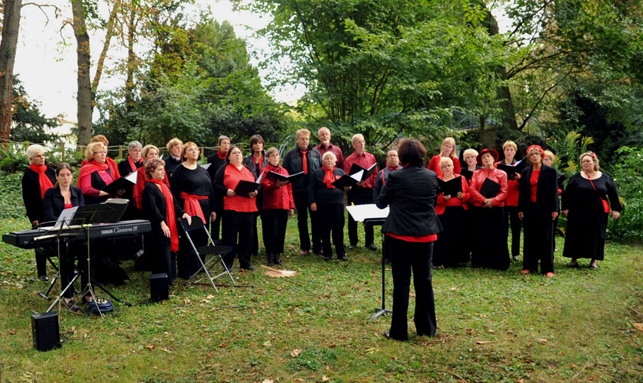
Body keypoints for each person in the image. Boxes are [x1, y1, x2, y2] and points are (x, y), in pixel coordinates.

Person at [376, 138, 442, 341]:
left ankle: (399, 332)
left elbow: (380, 203)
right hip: (426, 234)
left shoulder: (395, 177)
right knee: (424, 282)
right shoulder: (432, 176)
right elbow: (432, 200)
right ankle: (427, 328)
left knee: (402, 283)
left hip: (401, 235)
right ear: (422, 155)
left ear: (403, 156)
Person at [562, 152, 621, 269]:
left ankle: (593, 260)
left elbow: (613, 194)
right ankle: (574, 259)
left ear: (594, 162)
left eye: (588, 161)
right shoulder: (576, 177)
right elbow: (567, 194)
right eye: (583, 162)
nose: (585, 163)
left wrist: (616, 209)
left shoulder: (605, 178)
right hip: (577, 212)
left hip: (597, 213)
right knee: (576, 234)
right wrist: (565, 208)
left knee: (596, 235)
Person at [170, 142, 217, 279]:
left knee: (202, 236)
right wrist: (179, 212)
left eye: (196, 149)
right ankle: (186, 269)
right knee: (188, 238)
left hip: (205, 207)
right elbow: (175, 193)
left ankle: (200, 265)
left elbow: (211, 190)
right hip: (188, 207)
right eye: (190, 150)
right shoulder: (179, 170)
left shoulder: (203, 170)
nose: (194, 151)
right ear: (184, 154)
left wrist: (213, 209)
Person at [42, 163, 85, 311]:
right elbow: (49, 215)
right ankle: (68, 296)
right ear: (57, 177)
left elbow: (82, 211)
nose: (66, 178)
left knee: (88, 251)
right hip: (58, 234)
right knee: (66, 254)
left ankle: (87, 292)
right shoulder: (50, 193)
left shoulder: (77, 191)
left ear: (72, 176)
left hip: (75, 233)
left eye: (68, 175)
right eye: (62, 175)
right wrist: (64, 222)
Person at [142, 158, 191, 283]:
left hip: (170, 224)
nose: (163, 172)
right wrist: (162, 223)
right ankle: (162, 280)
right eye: (159, 170)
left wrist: (184, 213)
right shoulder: (149, 187)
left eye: (163, 169)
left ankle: (170, 278)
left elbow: (175, 204)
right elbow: (152, 209)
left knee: (170, 252)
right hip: (158, 227)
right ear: (151, 172)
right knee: (161, 253)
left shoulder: (165, 186)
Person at [213, 146, 259, 271]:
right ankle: (228, 263)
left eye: (239, 152)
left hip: (249, 208)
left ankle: (245, 262)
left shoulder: (248, 169)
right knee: (230, 237)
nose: (238, 154)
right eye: (234, 153)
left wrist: (255, 191)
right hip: (231, 208)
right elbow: (216, 185)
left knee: (247, 237)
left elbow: (256, 183)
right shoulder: (224, 169)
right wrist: (226, 191)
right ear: (229, 157)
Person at [517, 145, 559, 276]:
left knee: (546, 238)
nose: (534, 156)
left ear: (542, 156)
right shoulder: (525, 172)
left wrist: (555, 209)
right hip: (530, 208)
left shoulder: (551, 171)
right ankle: (529, 266)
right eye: (531, 154)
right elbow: (523, 192)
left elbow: (554, 192)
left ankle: (548, 269)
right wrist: (520, 209)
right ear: (529, 158)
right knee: (529, 237)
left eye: (536, 154)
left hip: (546, 208)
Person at [283, 129, 323, 255]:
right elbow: (285, 173)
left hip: (314, 191)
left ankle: (318, 245)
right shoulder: (290, 155)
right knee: (302, 219)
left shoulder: (316, 153)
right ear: (297, 140)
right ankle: (305, 246)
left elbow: (321, 171)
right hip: (299, 190)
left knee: (316, 218)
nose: (304, 141)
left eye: (306, 138)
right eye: (302, 138)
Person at [469, 148, 510, 271]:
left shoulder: (502, 173)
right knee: (481, 234)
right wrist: (483, 200)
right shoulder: (476, 173)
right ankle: (480, 261)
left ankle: (498, 262)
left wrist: (493, 201)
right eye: (483, 157)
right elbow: (472, 189)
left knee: (498, 235)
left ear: (493, 158)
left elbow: (504, 191)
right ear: (481, 161)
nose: (486, 159)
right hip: (480, 208)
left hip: (497, 208)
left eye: (488, 156)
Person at [22, 144, 56, 281]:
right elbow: (27, 199)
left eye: (43, 155)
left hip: (53, 210)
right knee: (40, 242)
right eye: (38, 156)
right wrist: (33, 217)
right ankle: (42, 272)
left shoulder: (51, 171)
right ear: (31, 158)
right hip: (39, 212)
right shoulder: (28, 175)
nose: (42, 158)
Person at [309, 152, 350, 261]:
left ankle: (341, 253)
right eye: (327, 159)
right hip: (322, 204)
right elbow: (311, 189)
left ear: (335, 161)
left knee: (338, 228)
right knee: (324, 229)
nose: (330, 161)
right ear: (323, 161)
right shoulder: (317, 173)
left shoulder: (340, 172)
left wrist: (347, 188)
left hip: (337, 204)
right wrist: (313, 202)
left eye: (332, 159)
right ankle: (327, 253)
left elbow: (346, 185)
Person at [433, 157, 471, 268]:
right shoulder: (437, 180)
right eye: (444, 166)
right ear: (440, 168)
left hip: (459, 211)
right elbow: (433, 197)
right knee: (443, 236)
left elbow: (469, 193)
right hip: (443, 211)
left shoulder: (461, 178)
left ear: (453, 166)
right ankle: (442, 260)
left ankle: (457, 260)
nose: (447, 168)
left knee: (458, 234)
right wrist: (442, 199)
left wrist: (463, 197)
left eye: (449, 165)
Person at [343, 133, 378, 251]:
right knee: (353, 217)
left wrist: (372, 185)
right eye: (359, 142)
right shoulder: (348, 160)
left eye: (363, 142)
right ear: (353, 145)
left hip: (368, 191)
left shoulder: (371, 157)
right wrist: (354, 183)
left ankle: (370, 242)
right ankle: (353, 242)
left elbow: (375, 173)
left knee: (369, 217)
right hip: (355, 191)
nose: (362, 144)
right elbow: (346, 176)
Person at [260, 147, 295, 266]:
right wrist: (276, 185)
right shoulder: (265, 171)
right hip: (270, 205)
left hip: (283, 204)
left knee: (281, 231)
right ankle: (270, 254)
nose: (275, 157)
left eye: (277, 155)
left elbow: (289, 188)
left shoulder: (284, 170)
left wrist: (291, 205)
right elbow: (264, 188)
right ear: (268, 158)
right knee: (271, 231)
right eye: (272, 155)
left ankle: (277, 255)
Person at [243, 134, 269, 257]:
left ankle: (268, 247)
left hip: (266, 192)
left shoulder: (268, 158)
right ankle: (253, 248)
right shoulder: (246, 159)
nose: (258, 145)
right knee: (251, 221)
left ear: (263, 144)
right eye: (255, 143)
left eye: (260, 143)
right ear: (252, 146)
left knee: (266, 221)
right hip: (251, 192)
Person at [496, 141, 522, 262]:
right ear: (504, 151)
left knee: (516, 228)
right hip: (502, 200)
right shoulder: (497, 165)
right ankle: (502, 251)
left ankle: (515, 252)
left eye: (512, 150)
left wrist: (519, 178)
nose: (509, 152)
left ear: (515, 152)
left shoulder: (520, 165)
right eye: (507, 150)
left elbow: (525, 183)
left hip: (516, 200)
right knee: (502, 228)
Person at [207, 135, 232, 243]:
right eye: (224, 143)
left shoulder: (231, 158)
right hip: (216, 193)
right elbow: (210, 176)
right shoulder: (212, 158)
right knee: (215, 219)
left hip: (229, 194)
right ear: (219, 145)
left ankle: (226, 241)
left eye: (228, 143)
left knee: (227, 219)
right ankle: (214, 242)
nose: (226, 145)